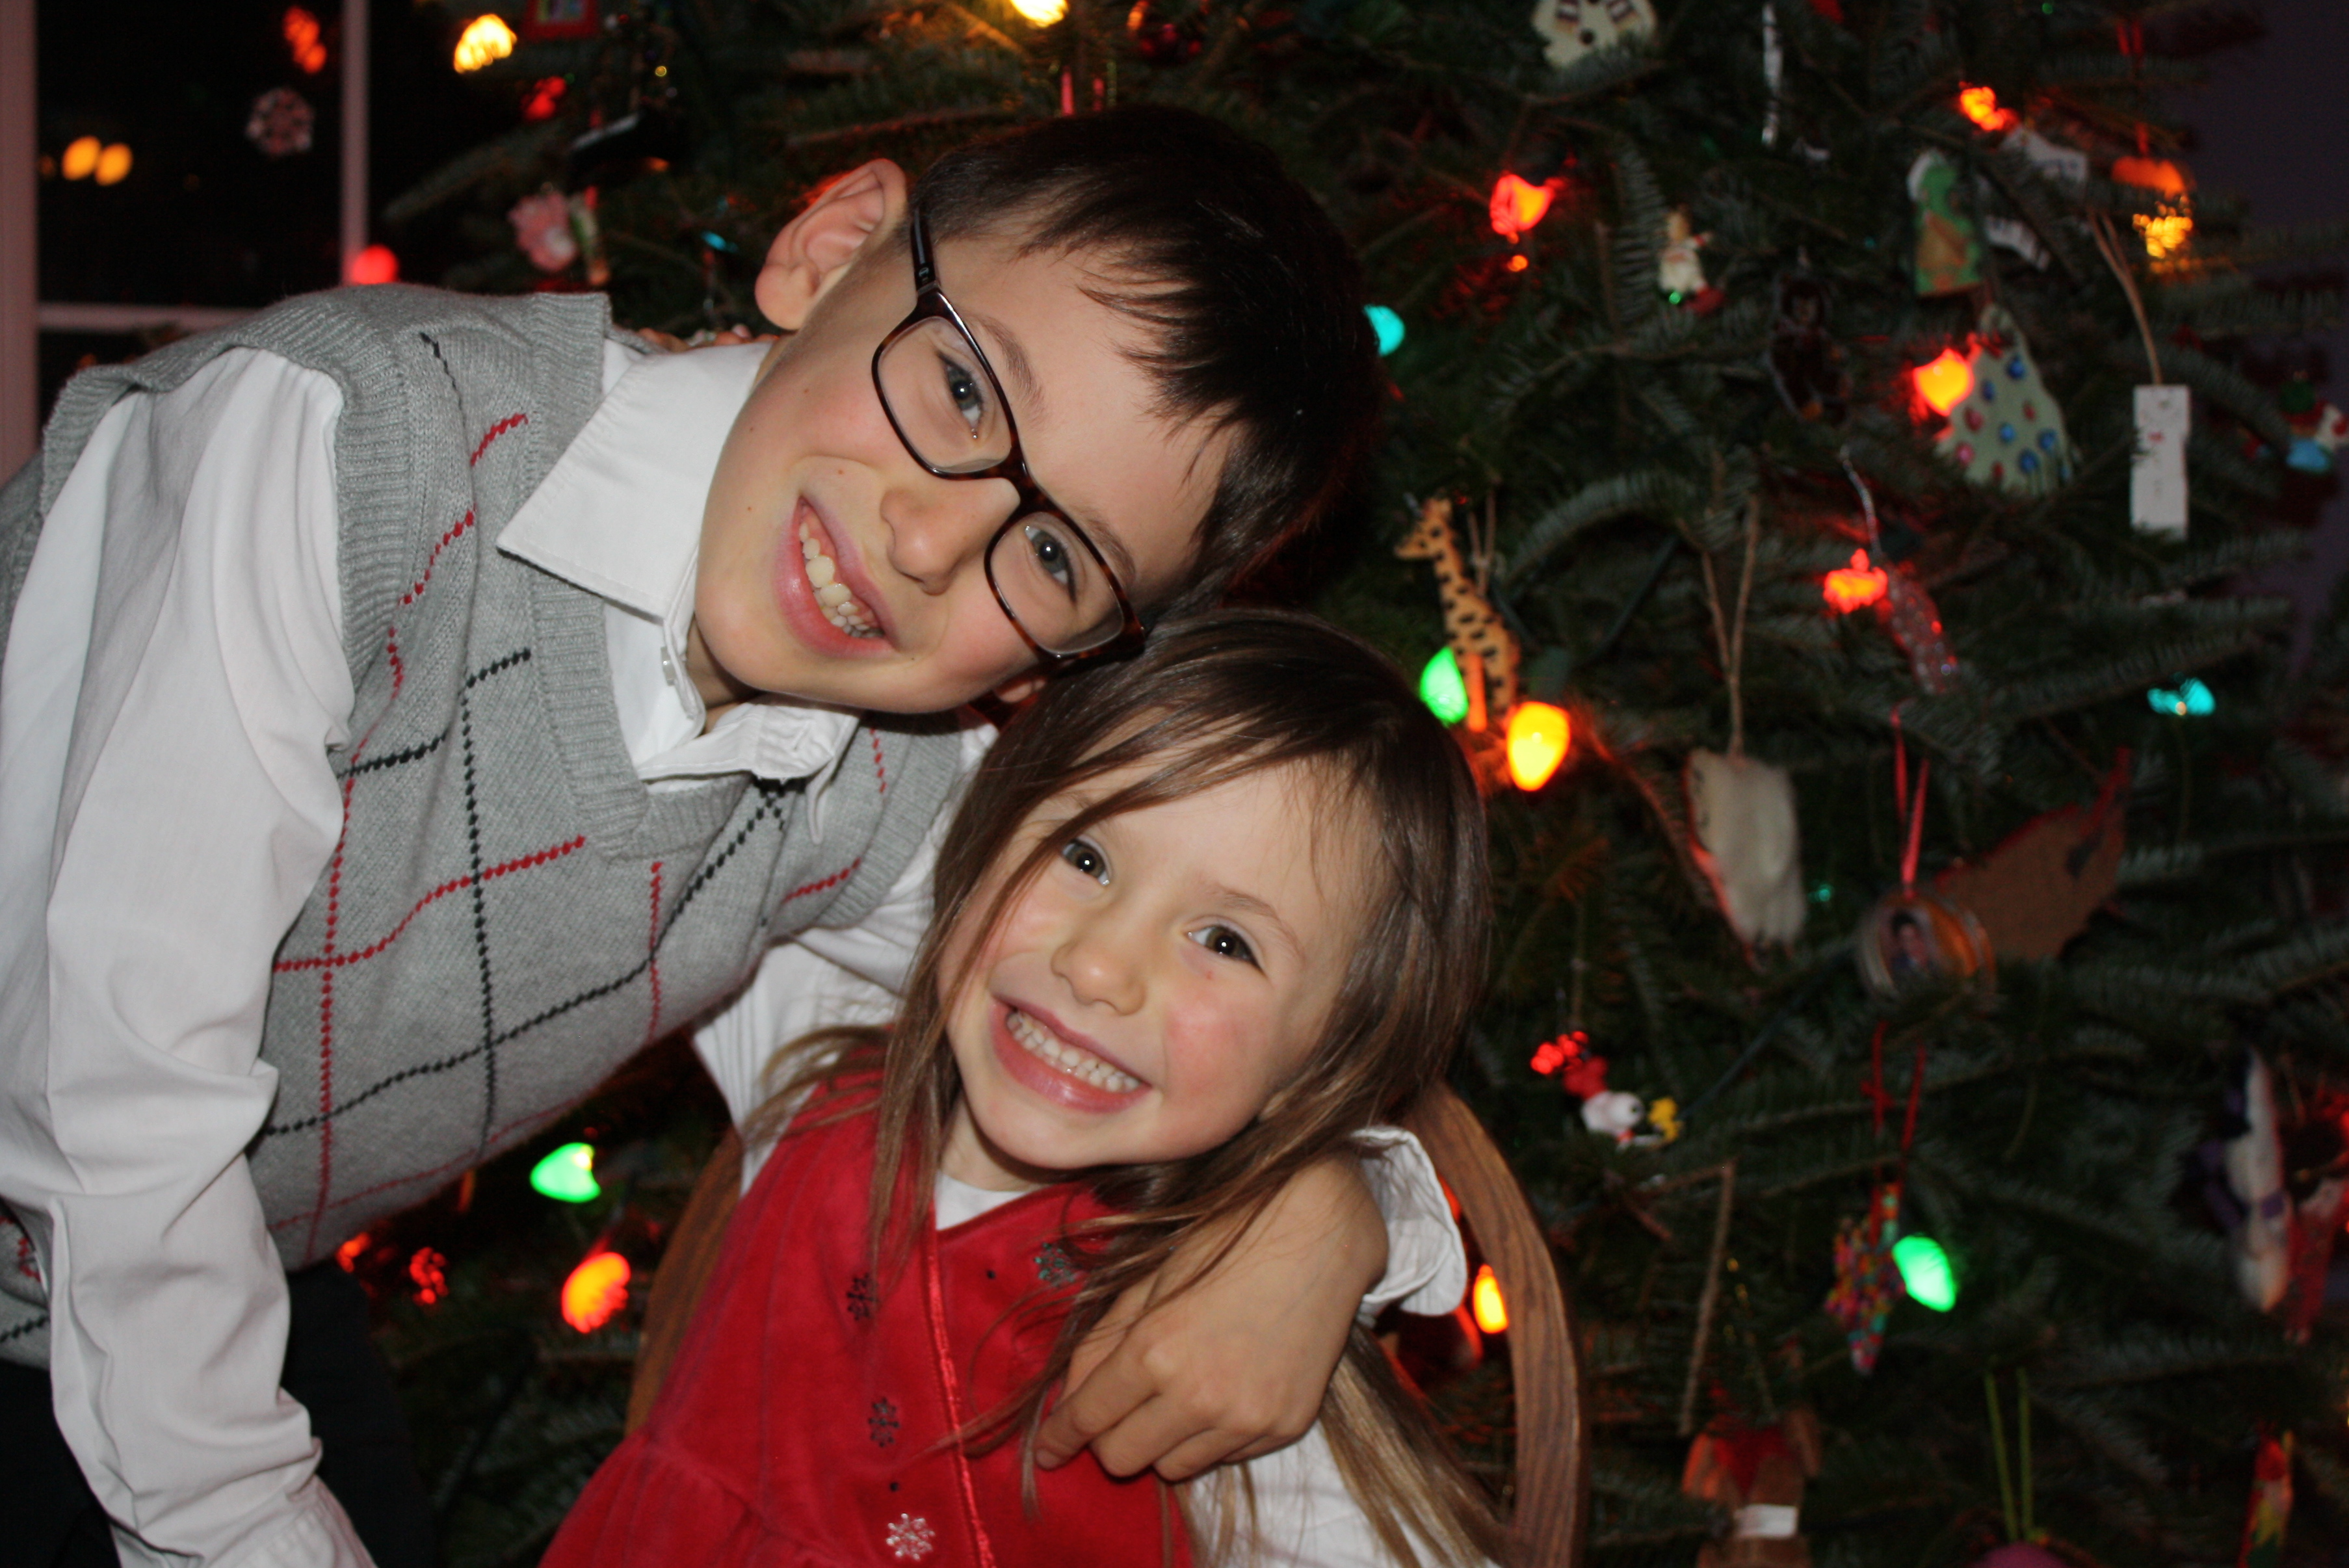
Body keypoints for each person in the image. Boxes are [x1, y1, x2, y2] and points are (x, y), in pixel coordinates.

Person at [0, 108, 1462, 1568]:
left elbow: (1156, 1019)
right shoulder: (338, 441)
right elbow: (107, 1094)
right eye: (961, 388)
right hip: (115, 1204)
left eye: (1052, 554)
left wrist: (1337, 1210)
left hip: (208, 1276)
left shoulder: (897, 789)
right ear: (830, 251)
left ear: (1059, 662)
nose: (927, 543)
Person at [543, 611, 1509, 1568]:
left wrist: (1349, 1194)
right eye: (1084, 857)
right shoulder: (814, 1042)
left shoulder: (1206, 1349)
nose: (1098, 967)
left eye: (1225, 942)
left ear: (1321, 1065)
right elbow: (710, 711)